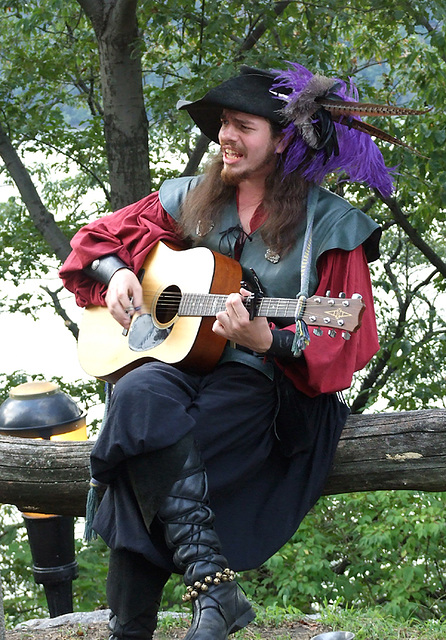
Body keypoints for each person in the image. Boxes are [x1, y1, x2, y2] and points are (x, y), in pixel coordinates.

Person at [60, 63, 422, 640]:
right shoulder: (190, 201)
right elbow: (95, 242)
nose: (225, 136)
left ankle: (133, 629)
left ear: (282, 140)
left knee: (143, 450)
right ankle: (215, 589)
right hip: (184, 366)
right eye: (223, 124)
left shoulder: (331, 226)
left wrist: (269, 340)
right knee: (134, 392)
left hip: (268, 389)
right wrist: (118, 272)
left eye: (242, 125)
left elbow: (346, 337)